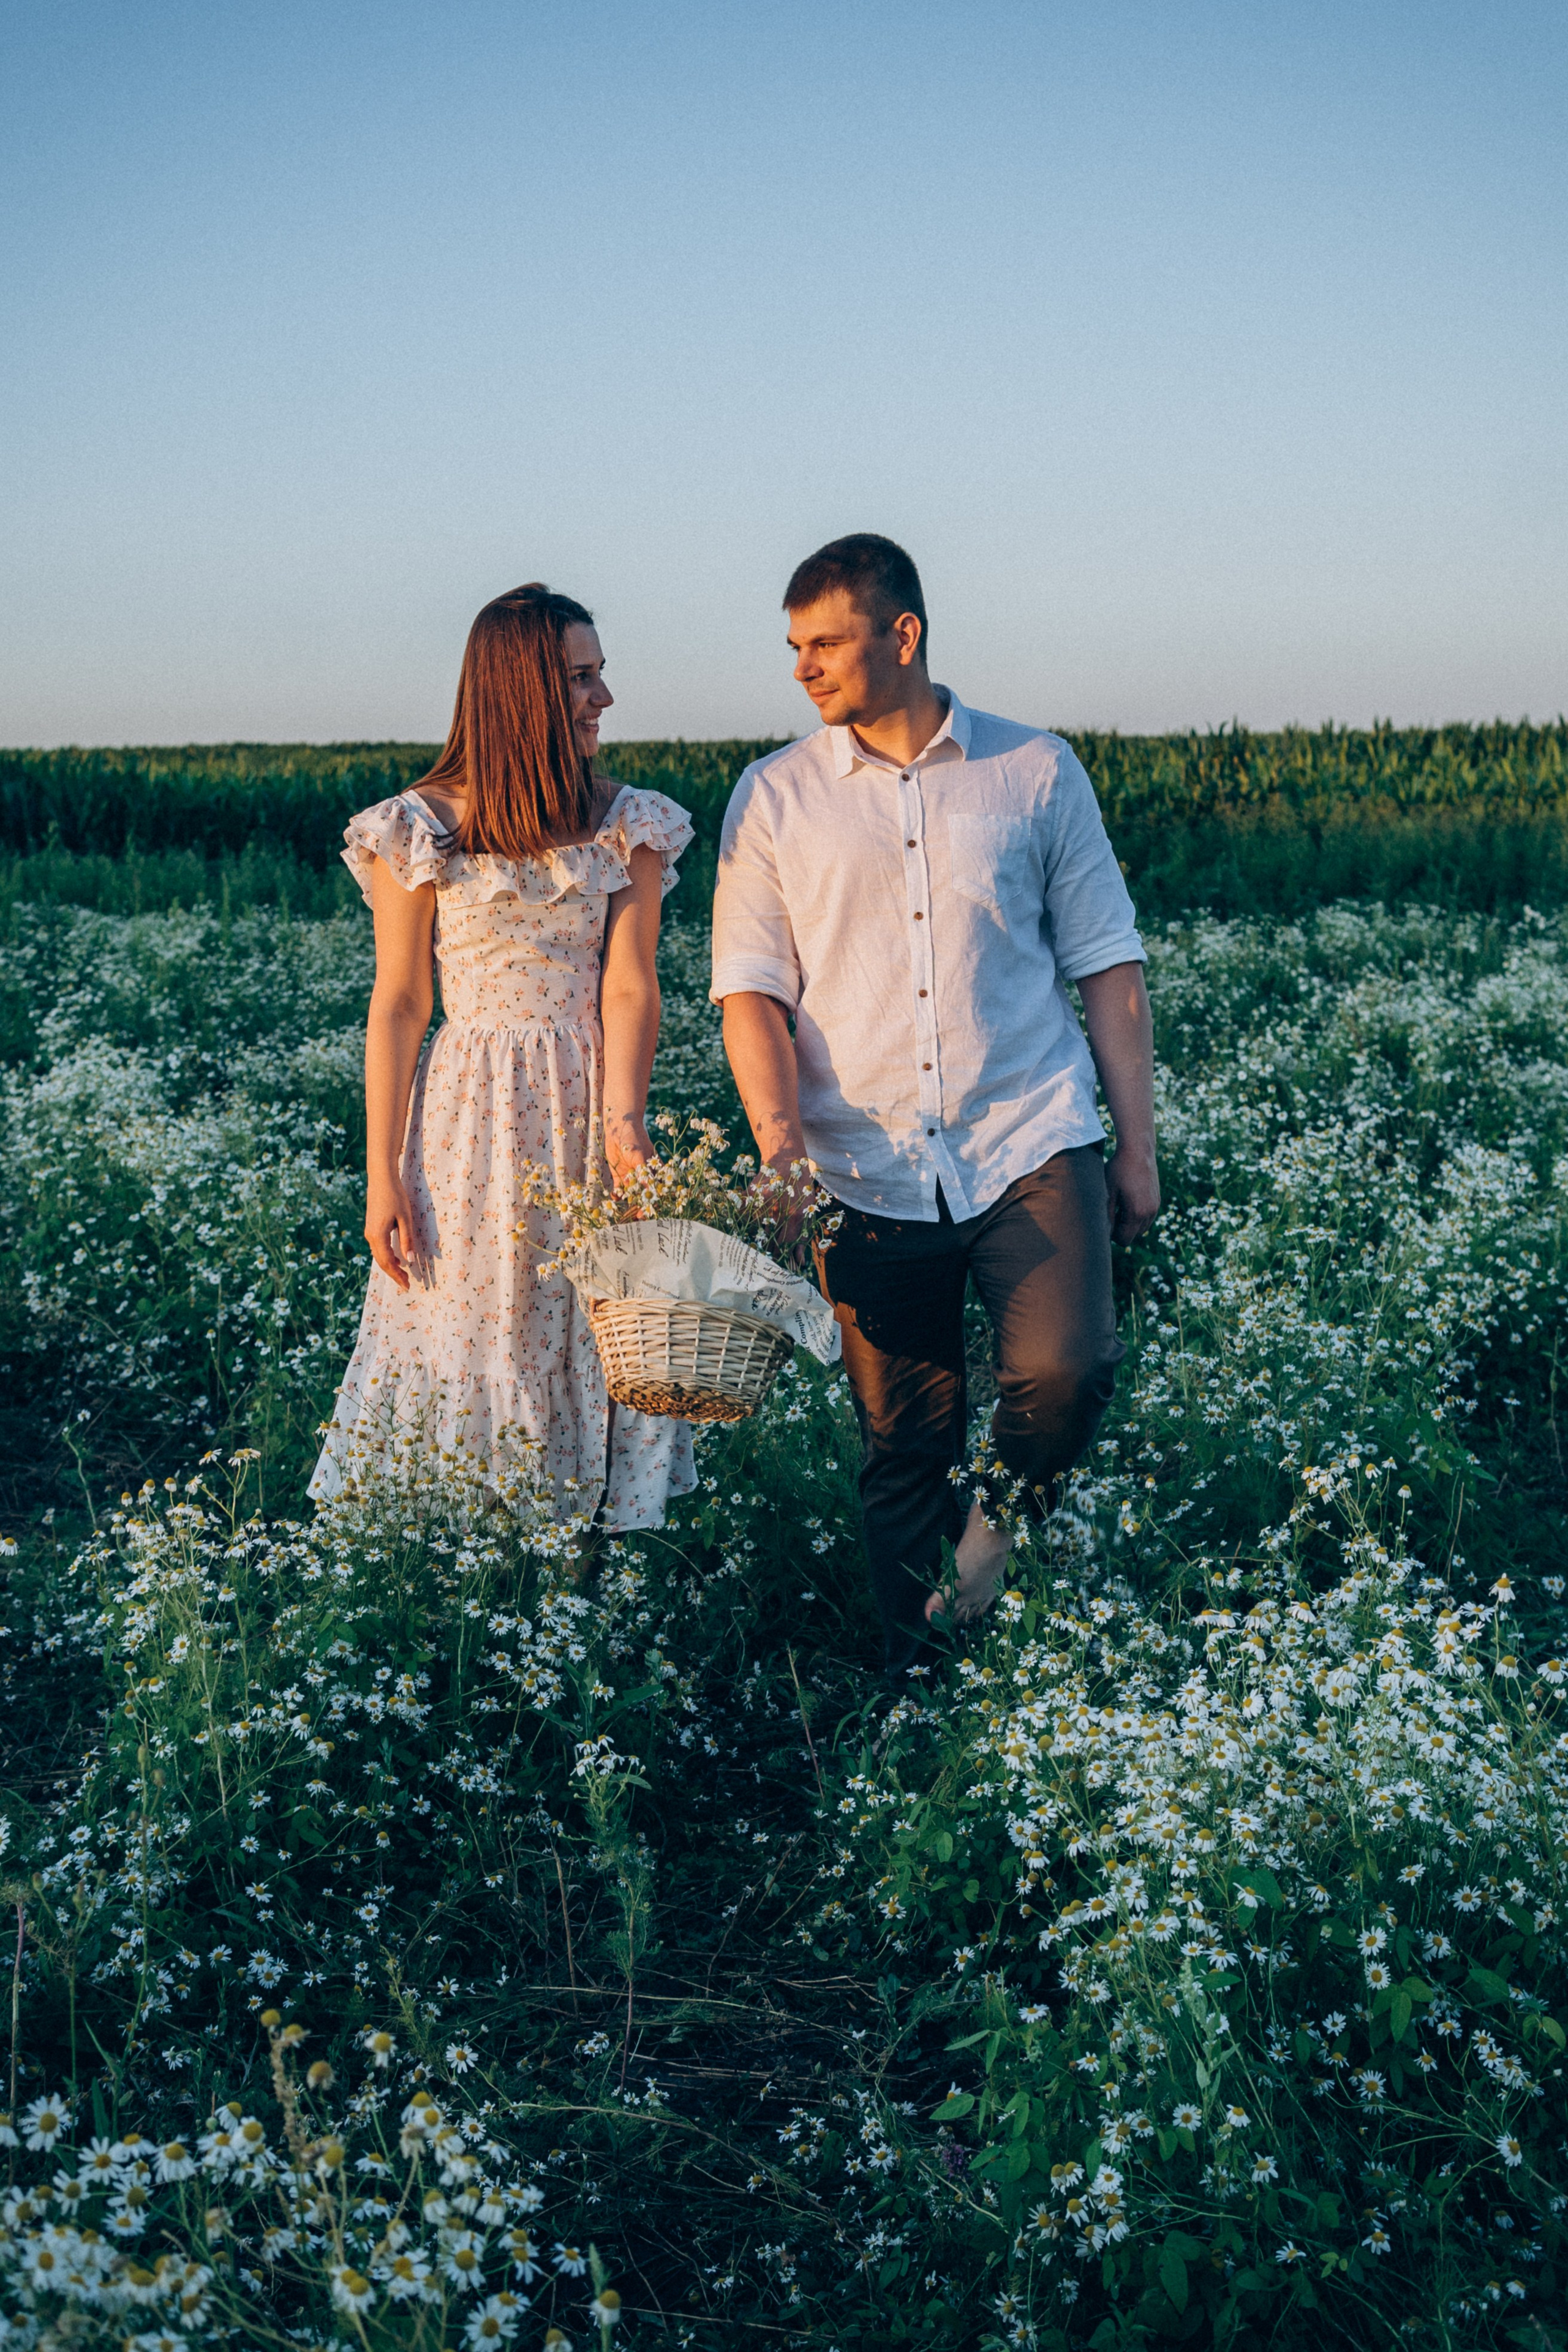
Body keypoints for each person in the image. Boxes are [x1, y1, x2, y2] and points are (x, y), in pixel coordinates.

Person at [712, 534, 1159, 1677]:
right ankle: (920, 1692)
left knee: (1068, 1368)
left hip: (1029, 1133)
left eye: (827, 642)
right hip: (864, 1163)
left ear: (902, 634)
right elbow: (751, 994)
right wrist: (782, 1146)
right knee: (903, 1441)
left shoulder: (1035, 770)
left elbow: (1109, 967)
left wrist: (1137, 1152)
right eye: (794, 647)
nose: (804, 669)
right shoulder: (774, 797)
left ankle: (994, 1541)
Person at [311, 584, 697, 1531]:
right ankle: (466, 1561)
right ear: (520, 688)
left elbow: (630, 983)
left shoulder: (627, 820)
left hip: (587, 1101)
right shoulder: (418, 828)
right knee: (474, 1321)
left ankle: (580, 1566)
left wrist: (627, 1125)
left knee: (595, 1322)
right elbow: (400, 1004)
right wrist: (380, 1177)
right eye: (581, 676)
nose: (604, 696)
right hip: (467, 1117)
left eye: (601, 672)